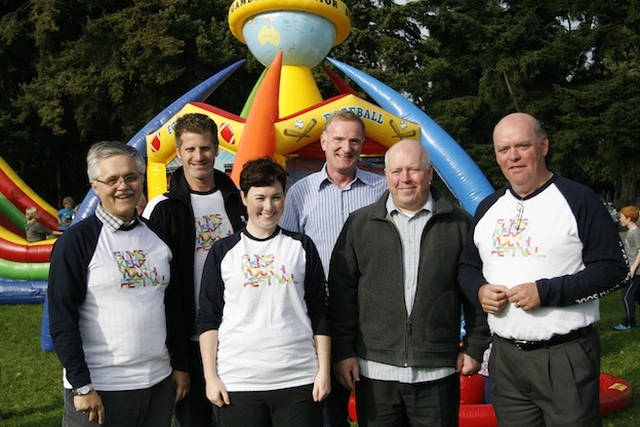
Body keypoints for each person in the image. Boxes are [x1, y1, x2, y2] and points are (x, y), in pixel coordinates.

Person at [458, 112, 629, 427]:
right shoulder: (488, 207)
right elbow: (468, 266)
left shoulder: (579, 199)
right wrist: (479, 290)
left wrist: (547, 291)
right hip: (505, 357)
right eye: (503, 149)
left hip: (564, 354)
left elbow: (613, 270)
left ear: (544, 145)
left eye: (522, 145)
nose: (513, 156)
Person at [328, 139, 489, 427]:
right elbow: (342, 295)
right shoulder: (360, 225)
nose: (405, 179)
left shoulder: (460, 225)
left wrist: (475, 346)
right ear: (386, 175)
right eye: (396, 171)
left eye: (413, 170)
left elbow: (476, 291)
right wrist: (343, 351)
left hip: (436, 373)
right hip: (375, 373)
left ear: (429, 173)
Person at [48, 141, 189, 427]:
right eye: (111, 180)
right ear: (95, 186)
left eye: (131, 177)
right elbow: (62, 319)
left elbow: (173, 308)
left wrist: (181, 365)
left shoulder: (159, 237)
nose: (122, 186)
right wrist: (81, 385)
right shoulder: (76, 243)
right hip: (100, 388)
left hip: (157, 384)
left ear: (141, 180)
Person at [198, 157, 330, 427]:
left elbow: (319, 310)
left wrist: (324, 371)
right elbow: (209, 318)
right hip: (238, 382)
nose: (268, 207)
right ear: (244, 198)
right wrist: (211, 378)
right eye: (260, 197)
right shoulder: (223, 252)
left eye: (276, 197)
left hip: (298, 380)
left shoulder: (302, 247)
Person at [280, 110, 386, 427]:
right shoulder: (300, 193)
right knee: (328, 412)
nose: (346, 147)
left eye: (354, 140)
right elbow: (287, 254)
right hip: (320, 318)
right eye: (338, 139)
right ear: (324, 141)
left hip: (372, 316)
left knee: (379, 410)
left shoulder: (382, 190)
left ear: (363, 145)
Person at [143, 112, 246, 427]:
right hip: (187, 336)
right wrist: (174, 354)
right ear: (178, 152)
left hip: (237, 335)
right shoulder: (162, 207)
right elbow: (155, 284)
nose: (198, 157)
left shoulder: (238, 201)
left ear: (216, 149)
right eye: (190, 149)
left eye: (205, 148)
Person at [614, 205, 640, 330]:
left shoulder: (635, 233)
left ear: (629, 219)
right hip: (632, 270)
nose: (620, 219)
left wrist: (633, 268)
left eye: (622, 217)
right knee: (637, 296)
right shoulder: (631, 232)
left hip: (637, 272)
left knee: (627, 296)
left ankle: (629, 323)